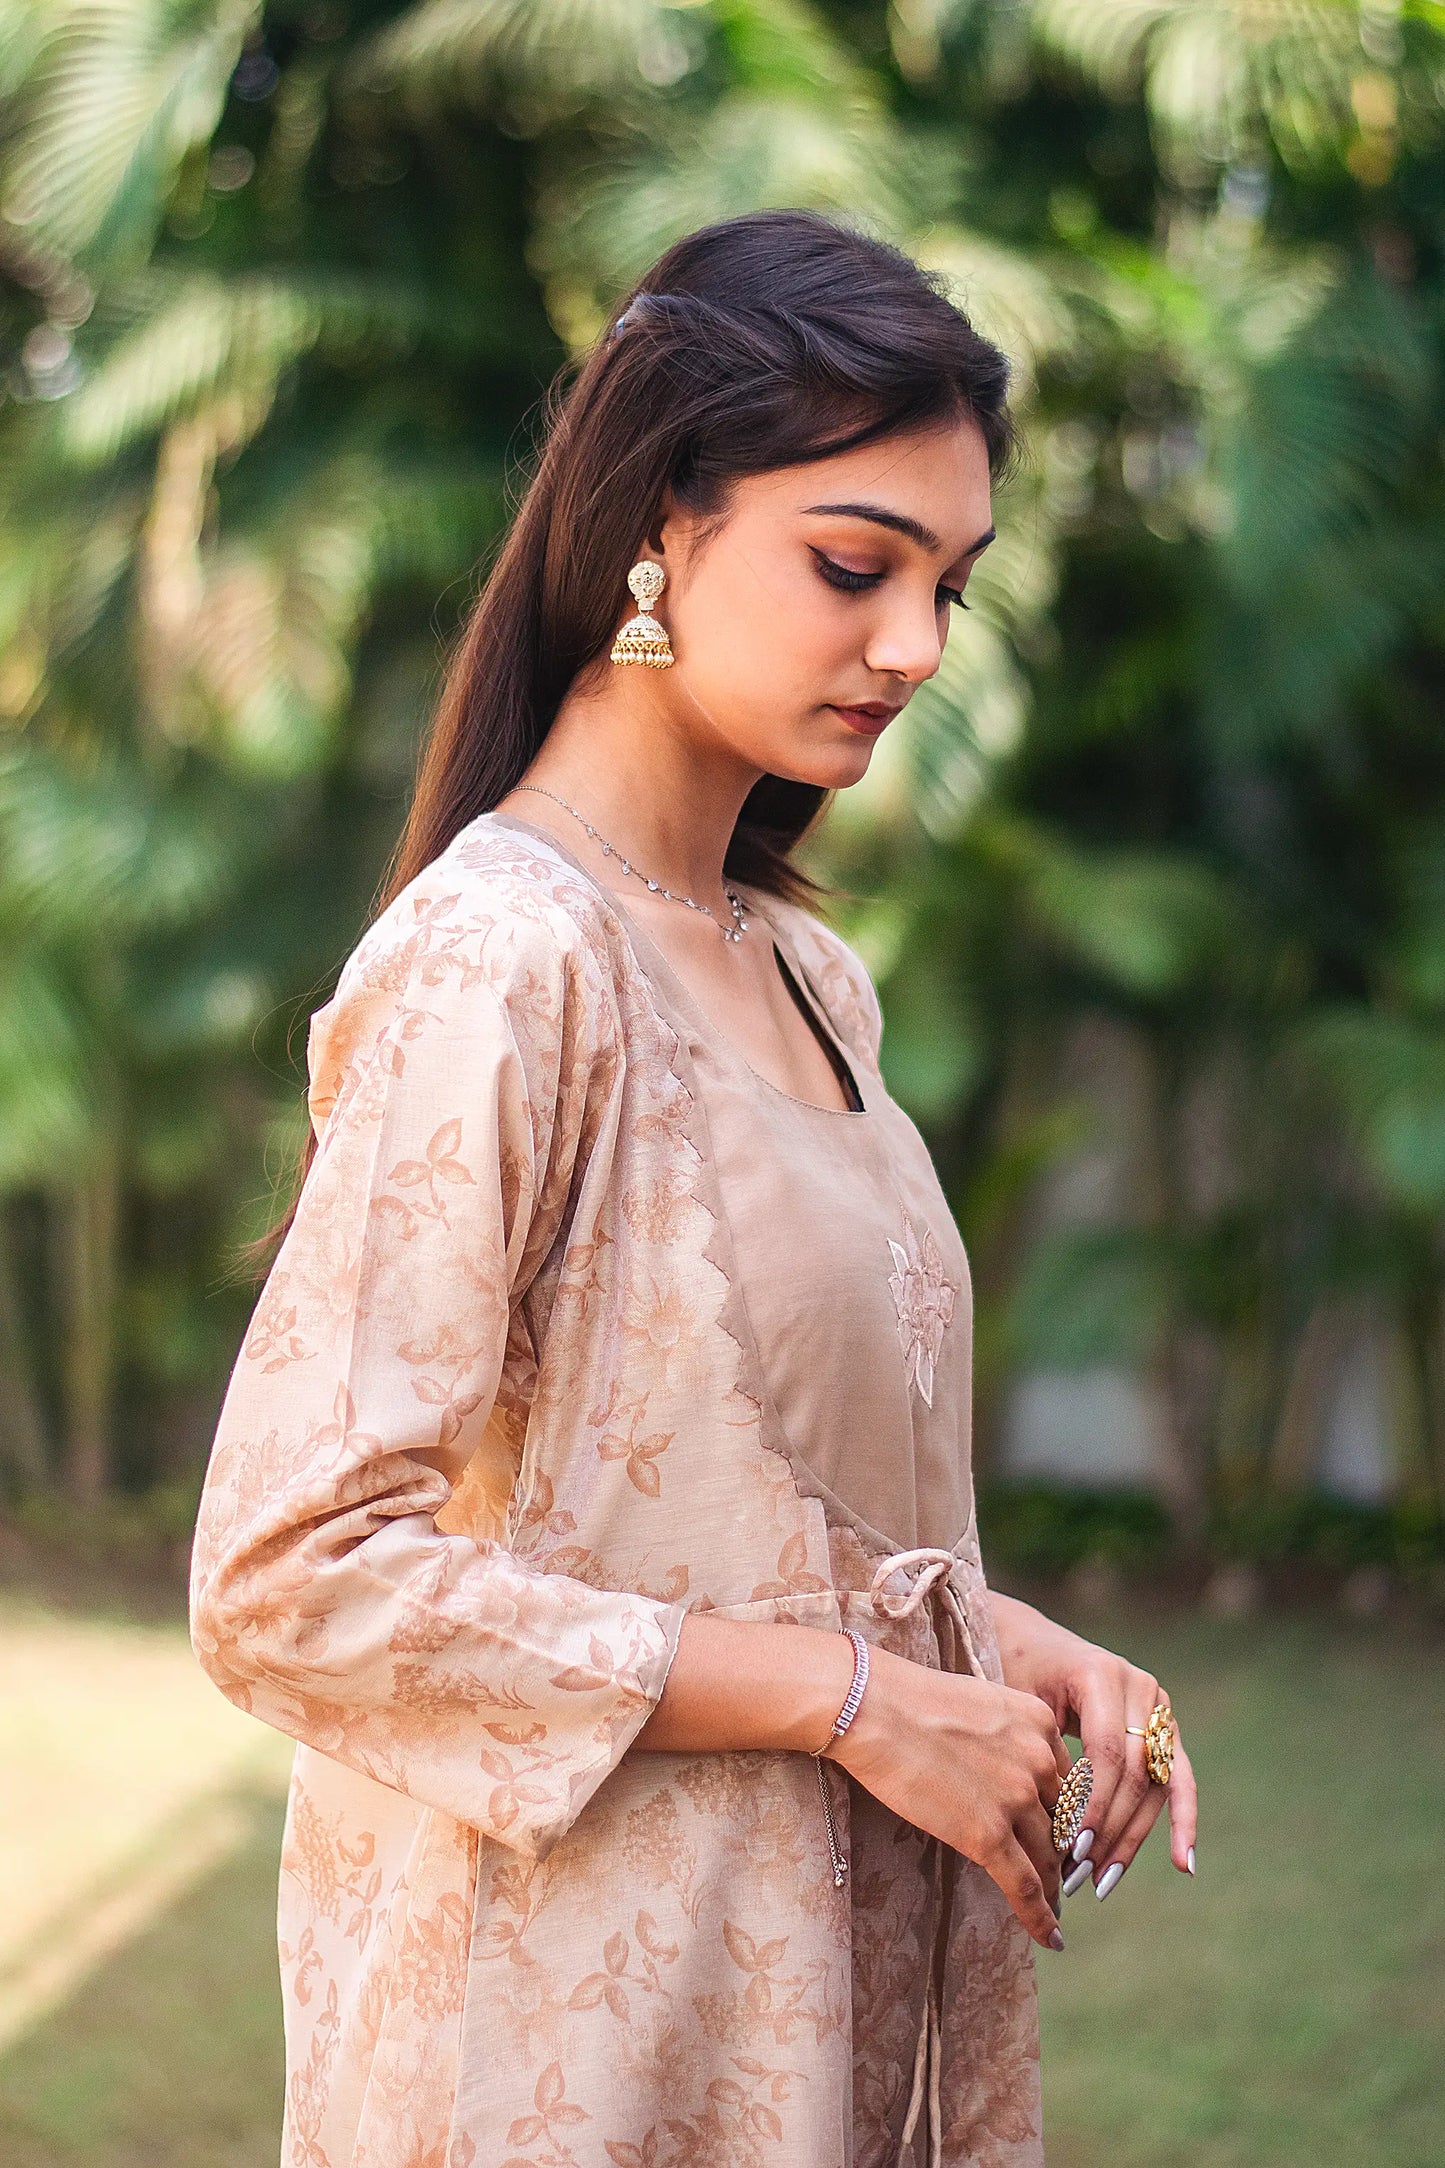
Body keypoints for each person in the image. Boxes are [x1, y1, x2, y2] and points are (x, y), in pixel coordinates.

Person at [189, 207, 1198, 2168]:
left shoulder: (807, 972)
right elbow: (287, 1575)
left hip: (812, 2024)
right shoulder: (506, 955)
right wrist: (848, 1702)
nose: (910, 646)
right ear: (655, 521)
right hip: (585, 2038)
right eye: (853, 565)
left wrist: (996, 1646)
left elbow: (739, 1503)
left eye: (948, 590)